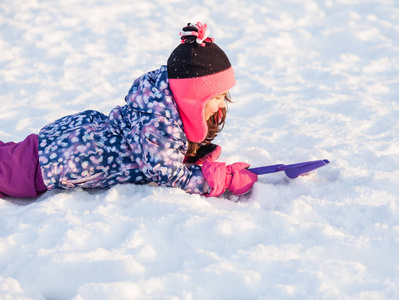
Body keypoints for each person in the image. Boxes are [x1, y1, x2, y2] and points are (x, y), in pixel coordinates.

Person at [0, 22, 258, 199]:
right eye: (218, 97)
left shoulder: (160, 105)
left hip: (68, 143)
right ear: (194, 99)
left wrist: (191, 156)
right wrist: (216, 180)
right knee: (7, 168)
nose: (222, 105)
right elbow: (168, 175)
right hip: (50, 163)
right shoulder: (158, 125)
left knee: (11, 155)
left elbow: (157, 155)